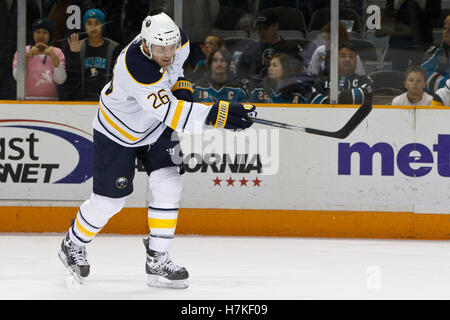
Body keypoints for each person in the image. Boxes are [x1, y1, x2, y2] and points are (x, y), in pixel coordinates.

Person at [57, 11, 256, 289]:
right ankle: (73, 243)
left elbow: (177, 74)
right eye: (161, 49)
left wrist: (183, 88)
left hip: (155, 127)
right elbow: (173, 114)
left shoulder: (177, 43)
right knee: (110, 202)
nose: (168, 53)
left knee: (169, 182)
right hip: (119, 131)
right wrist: (221, 115)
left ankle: (158, 258)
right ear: (146, 44)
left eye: (171, 47)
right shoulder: (136, 67)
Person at [60, 8, 121, 101]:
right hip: (82, 101)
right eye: (89, 23)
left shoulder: (113, 48)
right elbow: (72, 79)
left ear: (103, 25)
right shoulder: (79, 46)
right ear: (84, 26)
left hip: (106, 102)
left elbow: (118, 78)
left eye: (97, 23)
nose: (93, 27)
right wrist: (74, 55)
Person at [236, 11, 301, 83]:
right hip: (254, 91)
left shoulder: (291, 48)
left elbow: (298, 73)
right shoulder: (251, 50)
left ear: (276, 26)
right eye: (259, 29)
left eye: (265, 29)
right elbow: (240, 75)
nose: (261, 33)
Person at [12, 18, 67, 101]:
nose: (41, 36)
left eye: (45, 32)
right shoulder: (22, 51)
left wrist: (54, 58)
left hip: (51, 102)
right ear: (32, 34)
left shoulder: (57, 52)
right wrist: (27, 57)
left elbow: (61, 80)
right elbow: (18, 78)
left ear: (50, 35)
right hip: (26, 101)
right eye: (37, 32)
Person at [384, 0, 441, 72]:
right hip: (399, 41)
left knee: (421, 75)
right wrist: (398, 2)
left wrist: (421, 2)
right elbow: (387, 13)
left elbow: (436, 13)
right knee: (397, 76)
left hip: (423, 41)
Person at [249, 53, 317, 104]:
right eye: (270, 65)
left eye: (274, 65)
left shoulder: (299, 91)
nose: (270, 68)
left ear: (285, 68)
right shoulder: (259, 90)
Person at [421, 15, 450, 95]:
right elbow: (424, 74)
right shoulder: (435, 50)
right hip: (436, 99)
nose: (445, 32)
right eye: (445, 28)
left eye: (449, 30)